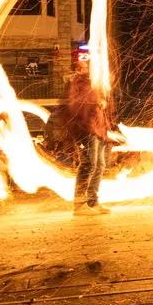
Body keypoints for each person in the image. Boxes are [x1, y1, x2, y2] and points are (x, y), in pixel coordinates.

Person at [66, 59, 114, 215]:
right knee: (89, 164)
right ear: (76, 70)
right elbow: (80, 104)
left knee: (99, 165)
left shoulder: (94, 83)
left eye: (85, 67)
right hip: (87, 129)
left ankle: (93, 202)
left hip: (99, 128)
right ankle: (79, 205)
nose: (83, 70)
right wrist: (97, 100)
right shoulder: (78, 82)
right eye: (80, 68)